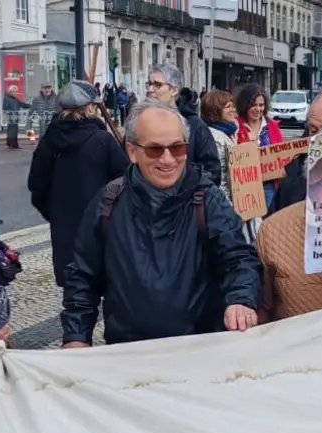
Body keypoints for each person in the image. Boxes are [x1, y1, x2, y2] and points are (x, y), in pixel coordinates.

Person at [61, 100, 261, 348]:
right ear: (133, 151)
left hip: (200, 350)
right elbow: (82, 277)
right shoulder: (107, 203)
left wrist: (241, 299)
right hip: (128, 354)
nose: (168, 159)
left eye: (177, 148)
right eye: (155, 149)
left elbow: (239, 257)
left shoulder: (208, 200)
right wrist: (76, 336)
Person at [28, 80, 129, 289]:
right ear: (90, 108)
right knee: (106, 289)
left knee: (74, 294)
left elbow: (37, 184)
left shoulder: (49, 140)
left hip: (64, 228)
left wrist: (54, 212)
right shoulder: (103, 140)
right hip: (101, 225)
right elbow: (125, 181)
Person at [146, 62, 222, 184]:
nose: (150, 90)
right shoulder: (139, 123)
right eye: (149, 84)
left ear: (174, 90)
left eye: (157, 85)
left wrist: (188, 192)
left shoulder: (195, 126)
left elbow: (212, 171)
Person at [200, 90, 238, 200]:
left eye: (233, 106)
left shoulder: (227, 133)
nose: (233, 110)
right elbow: (220, 177)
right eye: (228, 107)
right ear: (214, 111)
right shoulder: (214, 138)